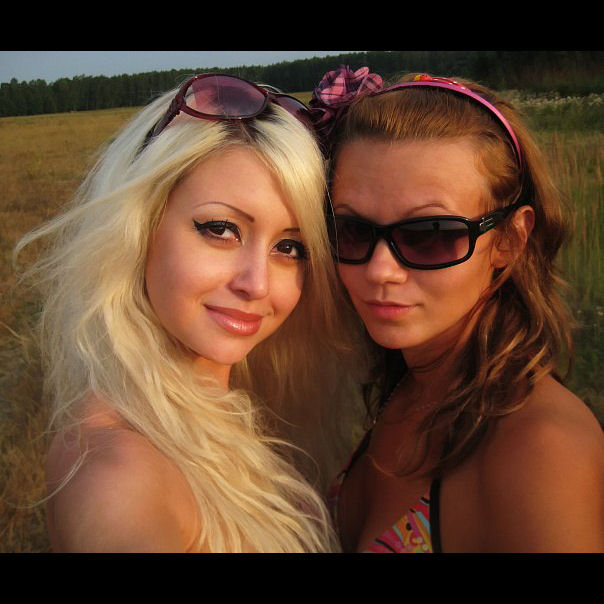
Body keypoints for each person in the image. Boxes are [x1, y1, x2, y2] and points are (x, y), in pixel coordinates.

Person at [15, 73, 361, 552]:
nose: (257, 284)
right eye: (220, 229)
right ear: (141, 225)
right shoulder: (120, 478)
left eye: (290, 247)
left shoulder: (236, 411)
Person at [309, 65, 604, 552]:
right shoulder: (411, 384)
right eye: (353, 230)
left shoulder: (543, 452)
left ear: (510, 240)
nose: (380, 270)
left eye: (430, 235)